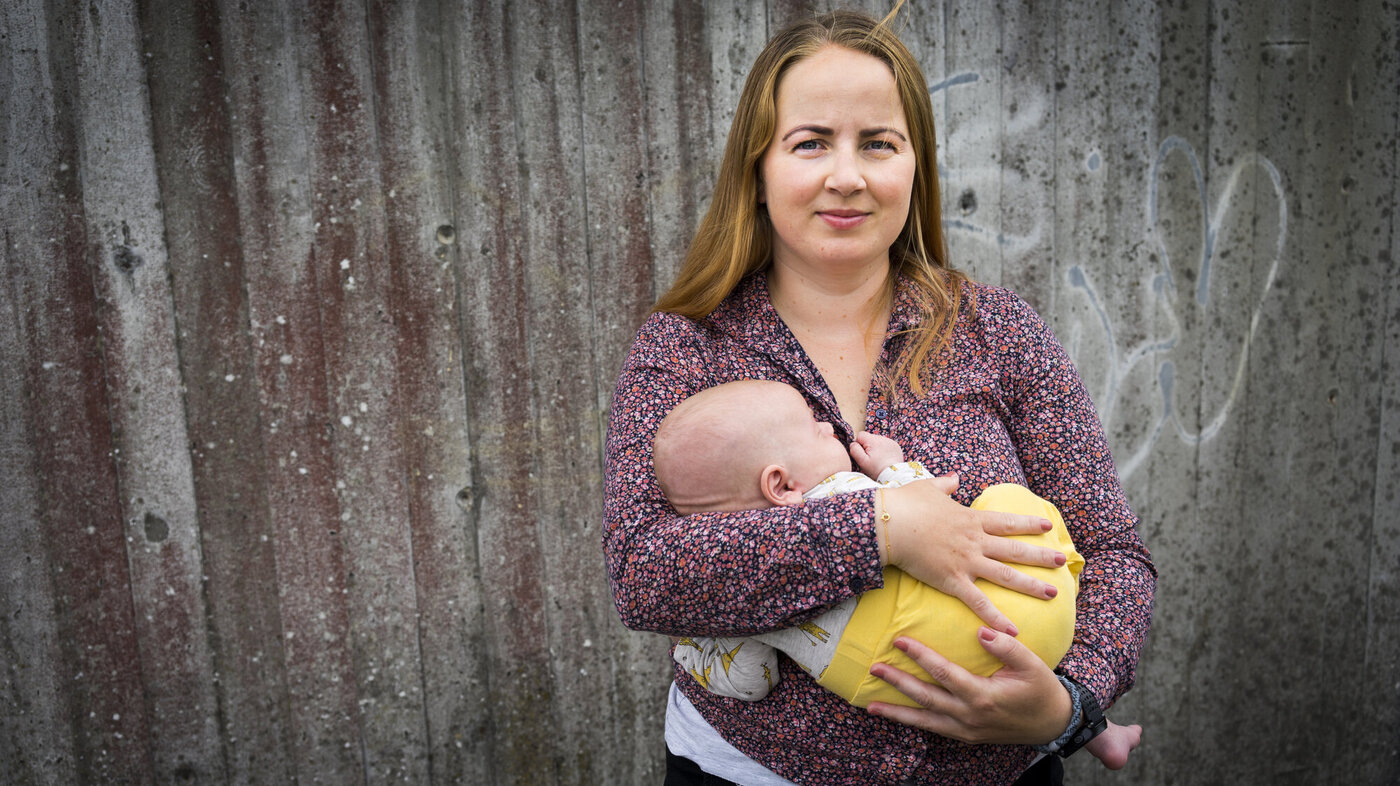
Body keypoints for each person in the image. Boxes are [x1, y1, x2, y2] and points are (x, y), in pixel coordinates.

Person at [602, 7, 1155, 785]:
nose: (848, 175)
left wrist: (1070, 702)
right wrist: (878, 528)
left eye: (879, 144)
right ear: (757, 171)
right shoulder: (686, 344)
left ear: (915, 168)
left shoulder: (998, 331)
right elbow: (643, 570)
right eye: (811, 143)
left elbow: (1115, 554)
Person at [653, 379, 1140, 771]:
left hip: (880, 673)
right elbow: (931, 502)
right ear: (779, 483)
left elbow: (750, 680)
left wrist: (698, 647)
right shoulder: (846, 491)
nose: (830, 426)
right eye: (813, 424)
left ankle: (1086, 724)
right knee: (1008, 503)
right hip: (1024, 625)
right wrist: (891, 467)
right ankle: (1091, 727)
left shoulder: (754, 596)